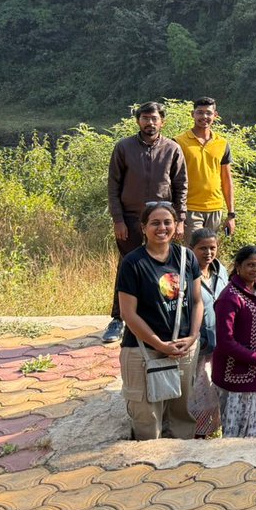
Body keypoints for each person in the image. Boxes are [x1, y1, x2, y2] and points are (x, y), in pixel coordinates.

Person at [116, 203, 202, 440]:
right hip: (142, 351)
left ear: (176, 225)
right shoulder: (133, 263)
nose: (162, 228)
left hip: (182, 348)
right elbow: (128, 314)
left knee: (180, 413)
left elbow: (197, 301)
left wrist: (193, 337)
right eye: (155, 223)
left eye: (167, 222)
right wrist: (159, 344)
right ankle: (146, 470)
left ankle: (180, 466)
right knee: (147, 416)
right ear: (143, 228)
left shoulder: (186, 258)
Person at [104, 102, 188, 343]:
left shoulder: (172, 148)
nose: (149, 123)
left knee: (162, 268)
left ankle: (155, 316)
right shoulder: (123, 147)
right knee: (127, 266)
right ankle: (118, 319)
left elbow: (181, 186)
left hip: (162, 221)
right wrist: (118, 219)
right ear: (137, 120)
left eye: (154, 118)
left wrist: (179, 220)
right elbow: (113, 187)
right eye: (145, 118)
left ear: (162, 121)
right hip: (130, 219)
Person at [213, 245, 256, 437]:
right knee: (236, 432)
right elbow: (225, 341)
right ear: (238, 266)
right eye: (250, 265)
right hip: (233, 372)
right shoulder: (230, 297)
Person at [174, 97, 236, 240]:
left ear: (215, 115)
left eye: (208, 113)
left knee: (209, 253)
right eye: (200, 112)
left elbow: (227, 180)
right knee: (194, 252)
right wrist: (177, 215)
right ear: (192, 114)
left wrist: (231, 214)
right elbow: (171, 179)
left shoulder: (222, 143)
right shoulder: (179, 142)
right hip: (189, 209)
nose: (204, 117)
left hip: (215, 208)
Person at [190, 227, 229, 436]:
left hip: (221, 342)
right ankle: (198, 434)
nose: (208, 253)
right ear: (191, 249)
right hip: (199, 343)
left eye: (212, 248)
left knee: (218, 389)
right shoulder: (186, 273)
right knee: (198, 393)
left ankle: (216, 429)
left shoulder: (220, 271)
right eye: (202, 248)